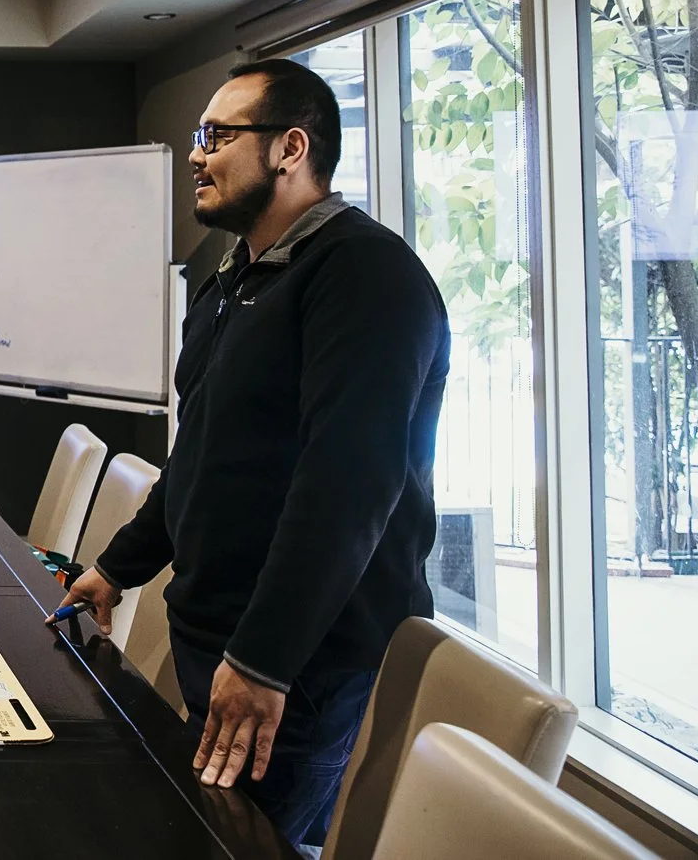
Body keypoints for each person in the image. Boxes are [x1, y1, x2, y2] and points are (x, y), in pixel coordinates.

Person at [56, 58, 449, 850]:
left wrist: (265, 660)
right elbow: (198, 460)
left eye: (216, 135)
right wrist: (116, 566)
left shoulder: (366, 275)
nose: (197, 155)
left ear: (289, 148)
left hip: (296, 671)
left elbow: (348, 484)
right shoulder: (232, 280)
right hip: (218, 644)